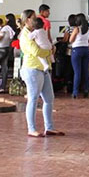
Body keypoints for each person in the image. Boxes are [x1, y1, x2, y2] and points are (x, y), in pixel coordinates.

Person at [19, 9, 64, 138]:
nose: (36, 19)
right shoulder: (25, 35)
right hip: (32, 69)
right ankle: (31, 128)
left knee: (49, 99)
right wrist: (50, 51)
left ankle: (49, 127)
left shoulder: (35, 32)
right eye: (33, 17)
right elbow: (36, 51)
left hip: (43, 69)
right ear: (27, 19)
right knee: (33, 99)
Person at [69, 13, 89, 98]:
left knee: (77, 72)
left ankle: (75, 92)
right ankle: (86, 90)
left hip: (76, 50)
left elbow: (71, 40)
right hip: (86, 49)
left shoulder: (77, 29)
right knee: (85, 71)